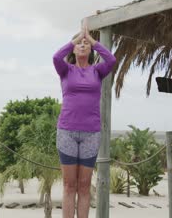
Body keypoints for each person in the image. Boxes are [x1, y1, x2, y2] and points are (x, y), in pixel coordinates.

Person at [52, 22, 116, 218]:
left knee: (85, 186)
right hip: (67, 132)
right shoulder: (66, 70)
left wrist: (92, 40)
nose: (82, 45)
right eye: (79, 43)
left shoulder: (97, 71)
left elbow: (111, 60)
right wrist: (77, 37)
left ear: (90, 50)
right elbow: (56, 56)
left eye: (85, 44)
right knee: (69, 185)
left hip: (91, 134)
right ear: (73, 48)